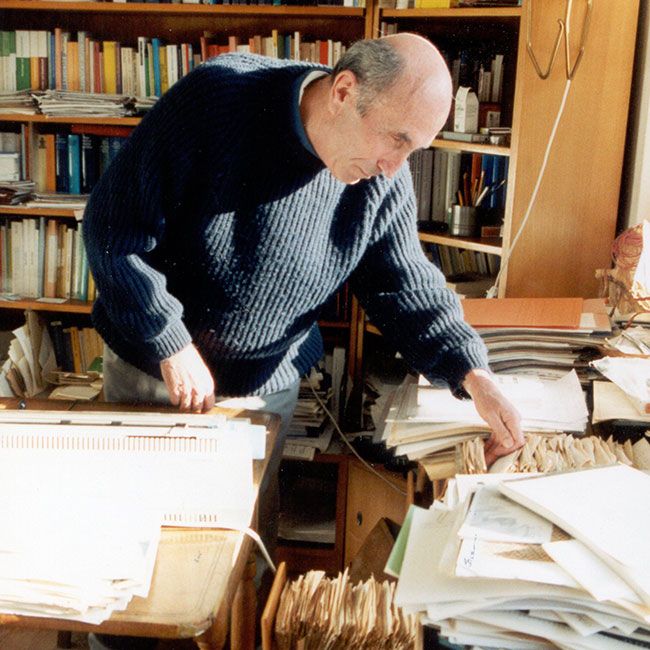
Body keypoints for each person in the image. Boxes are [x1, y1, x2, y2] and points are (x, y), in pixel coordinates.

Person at [84, 32, 524, 649]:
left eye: (416, 150)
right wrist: (168, 335)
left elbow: (403, 282)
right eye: (396, 139)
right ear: (344, 92)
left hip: (265, 384)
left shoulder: (380, 179)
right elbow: (111, 230)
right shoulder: (216, 101)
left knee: (239, 563)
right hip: (154, 373)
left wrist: (472, 374)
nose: (396, 167)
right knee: (135, 575)